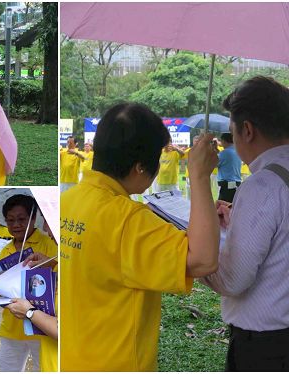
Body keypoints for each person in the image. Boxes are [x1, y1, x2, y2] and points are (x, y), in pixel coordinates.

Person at [61, 102, 219, 371]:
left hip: (70, 358)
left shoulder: (67, 200)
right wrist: (200, 176)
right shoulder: (129, 220)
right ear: (139, 168)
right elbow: (203, 260)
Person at [201, 76, 289, 371]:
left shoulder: (263, 185)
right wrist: (237, 223)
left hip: (266, 347)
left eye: (233, 133)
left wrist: (196, 242)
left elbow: (232, 280)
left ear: (247, 130)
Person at [0, 194, 57, 372]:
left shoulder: (48, 244)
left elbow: (60, 277)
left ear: (33, 218)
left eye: (21, 219)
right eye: (10, 220)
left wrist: (51, 263)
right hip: (11, 327)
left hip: (41, 328)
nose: (16, 225)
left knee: (42, 368)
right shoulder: (6, 250)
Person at [6, 253, 58, 372]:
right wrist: (54, 264)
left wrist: (29, 312)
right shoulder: (60, 264)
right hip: (50, 359)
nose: (49, 234)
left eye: (50, 232)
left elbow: (66, 330)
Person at [216, 132, 242, 203]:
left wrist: (213, 150)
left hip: (227, 185)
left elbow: (212, 163)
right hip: (236, 183)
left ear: (224, 141)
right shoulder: (238, 151)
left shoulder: (224, 153)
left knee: (222, 208)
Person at [183, 135, 200, 199]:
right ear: (193, 142)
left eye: (198, 141)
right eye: (195, 141)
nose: (196, 143)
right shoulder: (188, 151)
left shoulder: (202, 151)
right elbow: (182, 162)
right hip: (189, 176)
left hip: (199, 176)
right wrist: (183, 175)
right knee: (189, 194)